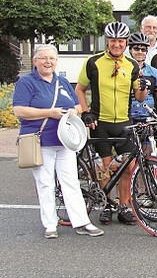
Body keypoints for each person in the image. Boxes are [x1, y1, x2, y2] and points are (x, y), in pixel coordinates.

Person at [13, 44, 104, 239]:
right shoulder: (26, 82)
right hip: (41, 140)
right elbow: (19, 110)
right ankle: (50, 224)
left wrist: (75, 111)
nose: (48, 62)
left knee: (71, 181)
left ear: (56, 61)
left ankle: (81, 221)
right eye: (44, 58)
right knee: (45, 183)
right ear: (35, 61)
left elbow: (78, 105)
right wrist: (49, 113)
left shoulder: (62, 82)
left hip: (65, 140)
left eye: (52, 59)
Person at [75, 21, 148, 225]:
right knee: (105, 168)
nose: (116, 44)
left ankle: (124, 206)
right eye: (113, 40)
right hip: (101, 123)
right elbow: (80, 89)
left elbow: (140, 97)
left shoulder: (132, 65)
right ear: (107, 41)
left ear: (126, 42)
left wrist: (143, 87)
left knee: (128, 167)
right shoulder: (93, 62)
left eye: (120, 41)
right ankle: (107, 204)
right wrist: (86, 111)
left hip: (124, 123)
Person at [127, 32, 157, 122]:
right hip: (128, 118)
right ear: (130, 50)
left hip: (149, 118)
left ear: (146, 51)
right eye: (136, 49)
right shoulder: (123, 70)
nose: (140, 52)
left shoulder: (154, 72)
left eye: (143, 49)